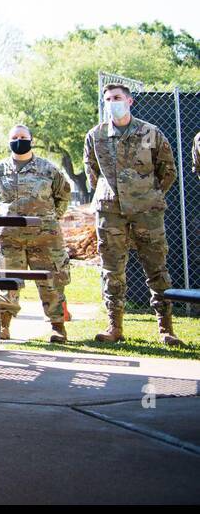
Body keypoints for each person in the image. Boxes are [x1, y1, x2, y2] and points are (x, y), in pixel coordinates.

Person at [84, 84, 180, 346]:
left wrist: (147, 193)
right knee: (112, 270)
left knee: (156, 269)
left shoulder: (149, 132)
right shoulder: (96, 135)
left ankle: (166, 329)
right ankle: (114, 326)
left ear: (129, 101)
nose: (112, 102)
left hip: (146, 211)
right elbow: (92, 173)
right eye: (107, 99)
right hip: (110, 212)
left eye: (117, 98)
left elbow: (167, 170)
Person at [0, 125, 72, 342]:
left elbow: (63, 196)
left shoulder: (48, 169)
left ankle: (57, 327)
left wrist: (48, 219)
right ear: (8, 140)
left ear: (31, 140)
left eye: (23, 137)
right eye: (14, 137)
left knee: (52, 282)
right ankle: (3, 326)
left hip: (45, 238)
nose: (19, 140)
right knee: (5, 281)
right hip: (9, 239)